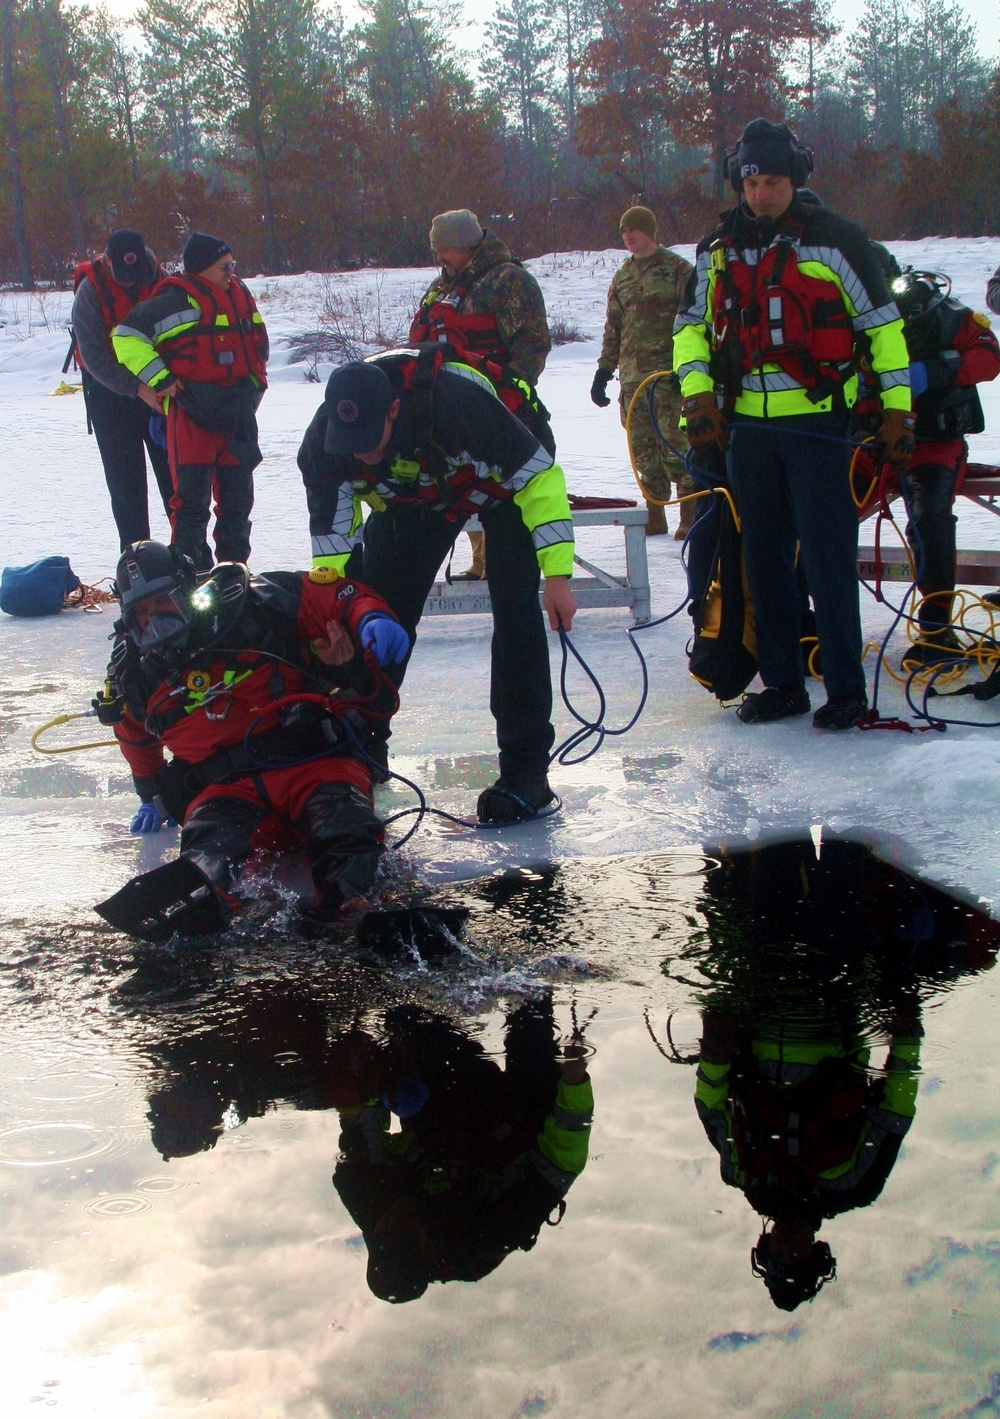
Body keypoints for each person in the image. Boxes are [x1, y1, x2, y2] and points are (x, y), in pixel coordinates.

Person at [673, 119, 914, 729]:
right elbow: (690, 330)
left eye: (773, 182)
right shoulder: (717, 249)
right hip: (746, 434)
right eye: (750, 183)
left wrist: (897, 409)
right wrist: (699, 397)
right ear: (737, 182)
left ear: (795, 178)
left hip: (820, 429)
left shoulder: (837, 241)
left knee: (829, 560)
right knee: (763, 561)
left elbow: (883, 330)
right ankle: (781, 683)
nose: (760, 194)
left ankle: (846, 691)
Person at [298, 349, 577, 823]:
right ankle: (361, 746)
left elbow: (539, 480)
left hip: (506, 483)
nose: (361, 451)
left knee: (515, 614)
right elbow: (333, 547)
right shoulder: (328, 448)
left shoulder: (458, 407)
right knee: (378, 610)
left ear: (393, 409)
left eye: (369, 439)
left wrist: (558, 575)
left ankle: (526, 771)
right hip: (418, 496)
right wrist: (340, 610)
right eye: (351, 442)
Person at [94, 539, 408, 930]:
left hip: (314, 768)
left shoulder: (254, 606)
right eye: (142, 612)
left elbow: (330, 596)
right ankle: (203, 914)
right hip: (227, 793)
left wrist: (368, 616)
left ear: (187, 590)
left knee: (346, 830)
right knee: (209, 849)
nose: (155, 620)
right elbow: (134, 735)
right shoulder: (135, 675)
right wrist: (149, 794)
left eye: (164, 603)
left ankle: (360, 907)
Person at [328, 998, 593, 1304]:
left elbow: (358, 1127)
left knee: (411, 1026)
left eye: (386, 1229)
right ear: (427, 1248)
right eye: (403, 1230)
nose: (394, 1217)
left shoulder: (370, 1208)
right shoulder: (486, 1234)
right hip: (514, 1124)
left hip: (445, 1111)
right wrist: (574, 1083)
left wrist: (364, 1076)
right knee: (530, 1030)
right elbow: (561, 1164)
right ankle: (531, 992)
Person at [857, 259, 1000, 665]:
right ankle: (807, 625)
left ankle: (937, 631)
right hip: (869, 444)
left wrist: (933, 373)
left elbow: (989, 356)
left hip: (931, 444)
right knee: (817, 515)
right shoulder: (848, 316)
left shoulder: (940, 313)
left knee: (930, 517)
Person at [409, 207, 553, 581]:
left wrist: (512, 397)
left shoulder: (509, 281)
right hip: (445, 414)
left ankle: (510, 568)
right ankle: (481, 559)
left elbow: (531, 345)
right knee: (458, 483)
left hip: (500, 410)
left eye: (446, 250)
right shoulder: (443, 287)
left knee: (503, 494)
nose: (439, 258)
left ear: (468, 246)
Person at [111, 232, 268, 571]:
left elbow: (257, 341)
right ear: (200, 270)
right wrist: (161, 380)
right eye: (223, 266)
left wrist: (256, 384)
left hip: (237, 414)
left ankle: (233, 576)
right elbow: (126, 337)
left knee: (237, 504)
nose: (231, 272)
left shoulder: (238, 293)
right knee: (191, 508)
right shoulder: (178, 301)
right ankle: (188, 582)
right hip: (194, 415)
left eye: (232, 265)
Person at [592, 206, 695, 538]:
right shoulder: (622, 276)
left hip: (669, 378)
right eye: (624, 231)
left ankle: (691, 514)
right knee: (643, 453)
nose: (628, 236)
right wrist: (604, 371)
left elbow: (695, 321)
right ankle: (655, 515)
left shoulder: (678, 270)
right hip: (634, 379)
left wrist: (689, 366)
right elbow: (613, 327)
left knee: (676, 447)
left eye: (634, 229)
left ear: (650, 230)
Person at [71, 228, 174, 549]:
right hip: (110, 394)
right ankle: (137, 562)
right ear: (108, 262)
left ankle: (191, 556)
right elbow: (93, 357)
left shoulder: (161, 280)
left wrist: (165, 384)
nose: (132, 281)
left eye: (137, 273)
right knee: (126, 488)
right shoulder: (89, 292)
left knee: (177, 483)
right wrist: (136, 388)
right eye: (125, 275)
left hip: (160, 391)